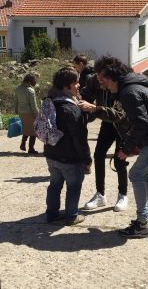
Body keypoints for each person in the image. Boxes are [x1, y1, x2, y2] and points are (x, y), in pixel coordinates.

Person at [94, 56, 148, 238]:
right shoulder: (135, 87)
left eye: (101, 76)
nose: (99, 80)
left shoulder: (128, 92)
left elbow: (142, 123)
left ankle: (142, 224)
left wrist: (126, 149)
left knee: (136, 174)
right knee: (145, 173)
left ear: (113, 76)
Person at [44, 67, 92, 226]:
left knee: (54, 185)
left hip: (51, 154)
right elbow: (79, 138)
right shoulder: (71, 109)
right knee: (74, 186)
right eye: (75, 83)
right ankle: (72, 216)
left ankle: (51, 214)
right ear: (66, 87)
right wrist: (86, 158)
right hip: (70, 158)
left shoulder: (49, 102)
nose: (78, 85)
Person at [78, 73, 129, 212]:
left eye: (103, 77)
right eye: (98, 76)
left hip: (123, 124)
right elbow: (86, 97)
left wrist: (94, 108)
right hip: (107, 123)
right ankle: (100, 194)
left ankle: (123, 195)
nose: (100, 80)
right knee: (98, 155)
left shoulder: (121, 82)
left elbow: (119, 113)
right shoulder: (94, 80)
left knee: (120, 159)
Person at [15, 73, 39, 154]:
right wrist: (37, 114)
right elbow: (33, 104)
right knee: (33, 130)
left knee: (26, 128)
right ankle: (31, 148)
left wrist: (16, 111)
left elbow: (16, 101)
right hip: (29, 112)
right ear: (30, 81)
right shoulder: (30, 90)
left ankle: (23, 144)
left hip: (21, 112)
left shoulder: (18, 89)